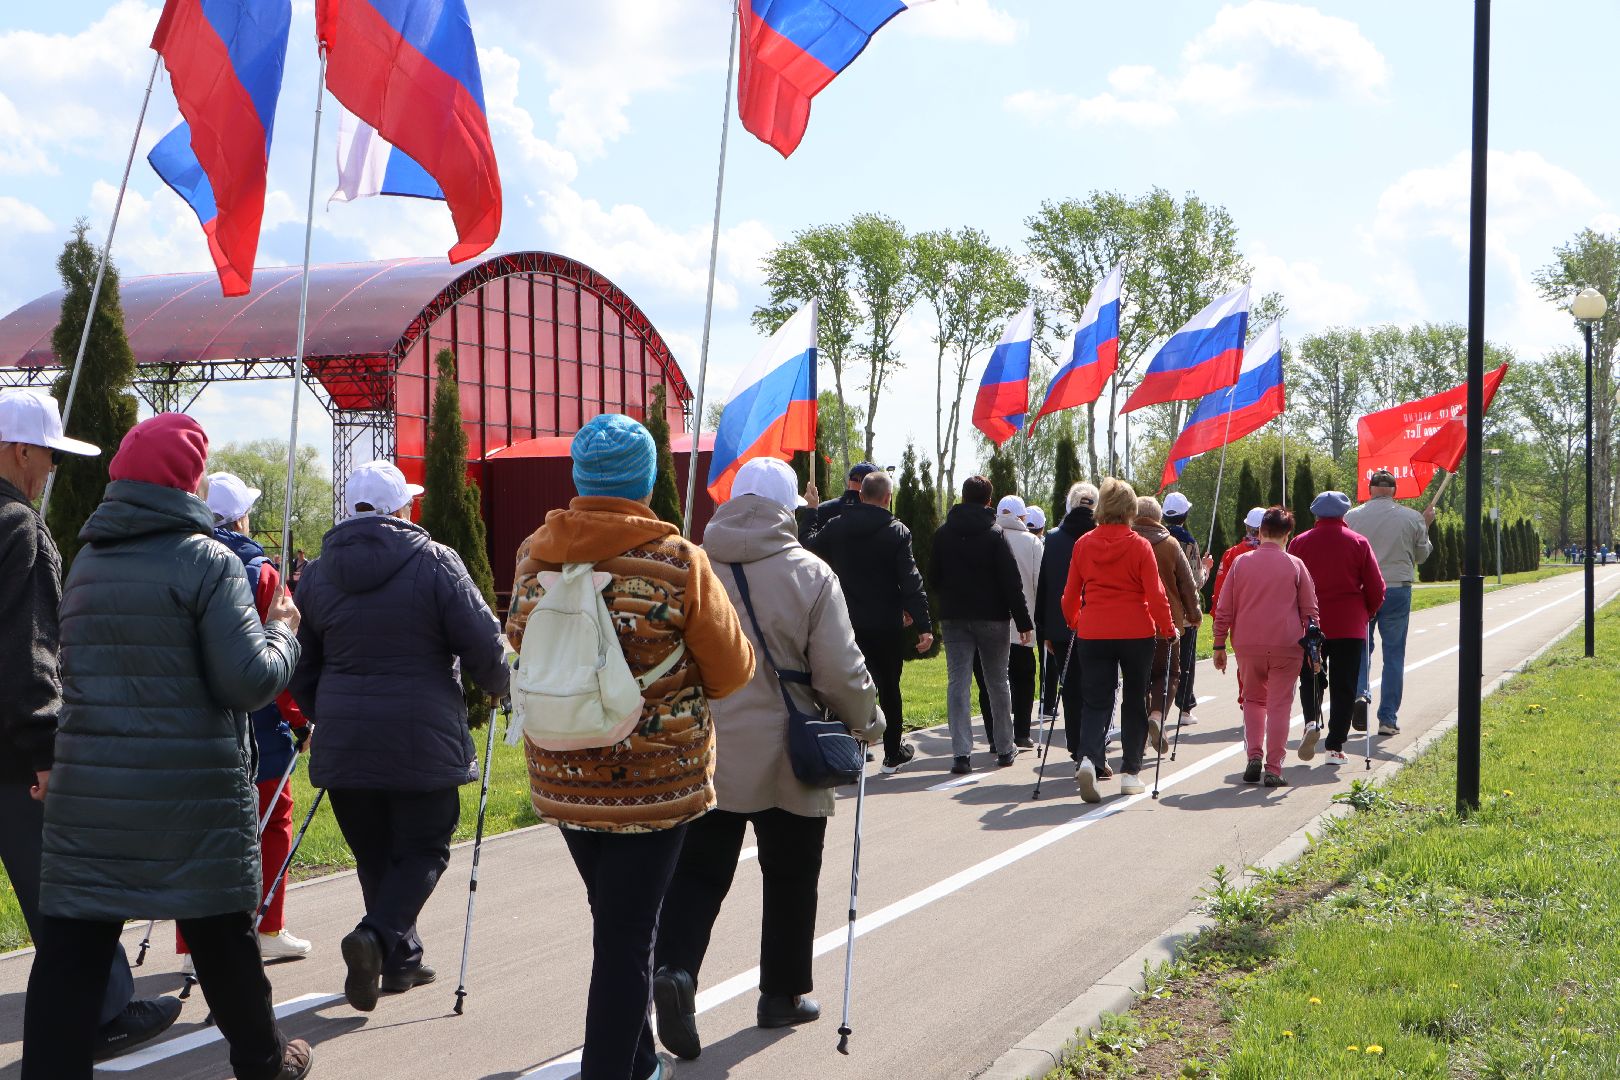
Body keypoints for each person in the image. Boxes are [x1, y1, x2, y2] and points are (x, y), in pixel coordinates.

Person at [24, 413, 313, 1080]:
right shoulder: (208, 560)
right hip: (189, 793)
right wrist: (284, 635)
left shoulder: (90, 557)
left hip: (92, 791)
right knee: (223, 942)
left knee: (72, 954)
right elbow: (247, 681)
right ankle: (266, 1066)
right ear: (188, 480)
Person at [505, 414, 753, 1080]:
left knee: (618, 921)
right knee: (625, 938)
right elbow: (731, 673)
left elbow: (519, 644)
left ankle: (639, 1057)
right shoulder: (677, 561)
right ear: (646, 479)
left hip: (561, 770)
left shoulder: (535, 554)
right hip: (655, 781)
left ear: (578, 477)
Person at [653, 458, 883, 1061]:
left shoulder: (689, 563)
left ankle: (675, 970)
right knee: (791, 875)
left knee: (698, 873)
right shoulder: (810, 571)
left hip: (706, 746)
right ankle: (781, 993)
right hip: (793, 746)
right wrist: (870, 722)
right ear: (789, 507)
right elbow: (839, 668)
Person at [289, 460, 510, 1013]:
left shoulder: (314, 573)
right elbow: (483, 643)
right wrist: (499, 685)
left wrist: (327, 713)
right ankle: (376, 935)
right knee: (425, 847)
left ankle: (397, 959)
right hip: (420, 733)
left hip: (345, 736)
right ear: (402, 509)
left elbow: (302, 662)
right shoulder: (435, 562)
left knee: (376, 852)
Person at [0, 390, 180, 1065]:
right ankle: (105, 1012)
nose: (49, 469)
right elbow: (27, 654)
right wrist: (48, 751)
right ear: (21, 450)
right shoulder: (18, 527)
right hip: (15, 759)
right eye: (47, 454)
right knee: (73, 890)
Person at [175, 473, 313, 976]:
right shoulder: (262, 572)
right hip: (258, 718)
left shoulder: (180, 557)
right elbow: (280, 657)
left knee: (200, 827)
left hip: (192, 716)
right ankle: (267, 928)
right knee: (270, 822)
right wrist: (301, 717)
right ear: (239, 518)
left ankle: (193, 945)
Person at [803, 468, 932, 774]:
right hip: (887, 623)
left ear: (860, 495)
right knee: (889, 687)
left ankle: (850, 749)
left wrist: (810, 510)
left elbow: (807, 545)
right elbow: (910, 581)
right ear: (888, 498)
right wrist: (925, 626)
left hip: (845, 621)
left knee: (847, 686)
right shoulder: (897, 531)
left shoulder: (837, 525)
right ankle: (892, 752)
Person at [1061, 478, 1176, 802]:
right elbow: (1156, 595)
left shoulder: (1083, 543)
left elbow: (1070, 594)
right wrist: (1167, 628)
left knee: (1096, 700)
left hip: (1094, 630)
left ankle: (1087, 759)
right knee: (1135, 699)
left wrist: (1074, 620)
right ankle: (1130, 773)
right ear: (1130, 510)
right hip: (1135, 630)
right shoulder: (1139, 545)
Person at [931, 475, 1034, 774]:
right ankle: (1004, 747)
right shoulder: (995, 534)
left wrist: (949, 601)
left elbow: (933, 578)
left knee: (958, 683)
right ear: (989, 501)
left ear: (962, 497)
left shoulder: (943, 534)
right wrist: (1024, 620)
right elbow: (1011, 582)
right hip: (993, 618)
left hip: (955, 618)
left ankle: (961, 753)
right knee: (998, 681)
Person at [1212, 507, 1319, 787]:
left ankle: (1253, 756)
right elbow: (1310, 611)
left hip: (1248, 644)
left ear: (1260, 532)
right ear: (1288, 535)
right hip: (1287, 644)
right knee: (1280, 705)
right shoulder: (1296, 565)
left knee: (1253, 700)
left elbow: (1224, 608)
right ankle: (1274, 766)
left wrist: (1219, 643)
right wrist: (1313, 647)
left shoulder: (1240, 563)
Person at [1289, 491, 1386, 764]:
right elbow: (1377, 587)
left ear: (1315, 513)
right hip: (1349, 624)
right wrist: (1366, 612)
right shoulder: (1358, 542)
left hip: (1311, 624)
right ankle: (1335, 747)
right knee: (1344, 686)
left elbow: (1290, 583)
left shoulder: (1299, 543)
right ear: (1344, 514)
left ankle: (1310, 721)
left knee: (1311, 677)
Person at [1344, 469, 1434, 736]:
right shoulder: (1412, 518)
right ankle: (1388, 718)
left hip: (1363, 590)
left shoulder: (1351, 517)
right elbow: (1421, 556)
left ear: (1370, 489)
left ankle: (1360, 693)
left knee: (1361, 647)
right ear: (1394, 491)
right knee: (1394, 654)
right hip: (1397, 588)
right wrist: (1426, 526)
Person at [1132, 497, 1202, 753]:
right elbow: (1188, 584)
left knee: (1138, 680)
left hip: (1132, 625)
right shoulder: (1171, 544)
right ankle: (1157, 716)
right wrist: (1194, 614)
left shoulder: (1127, 542)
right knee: (1169, 673)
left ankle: (1137, 737)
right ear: (1158, 518)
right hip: (1166, 623)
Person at [1035, 482, 1097, 762]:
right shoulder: (1101, 536)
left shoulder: (1054, 538)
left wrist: (1044, 628)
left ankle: (1075, 744)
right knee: (1098, 687)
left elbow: (1045, 586)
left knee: (1070, 688)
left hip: (1062, 625)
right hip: (1099, 624)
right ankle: (1092, 744)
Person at [974, 495, 1042, 748]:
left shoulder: (985, 537)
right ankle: (1022, 732)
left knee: (990, 683)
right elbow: (1040, 583)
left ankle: (994, 735)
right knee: (1023, 680)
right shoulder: (1032, 543)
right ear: (1022, 517)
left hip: (990, 623)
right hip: (1023, 626)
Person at [1162, 491, 1213, 723]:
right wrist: (1206, 567)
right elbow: (1194, 581)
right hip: (1183, 613)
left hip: (1158, 609)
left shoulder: (1152, 537)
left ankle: (1156, 706)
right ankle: (1185, 707)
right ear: (1185, 514)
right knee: (1186, 660)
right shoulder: (1188, 541)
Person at [800, 461, 879, 542]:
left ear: (849, 482)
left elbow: (807, 545)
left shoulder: (822, 510)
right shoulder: (880, 519)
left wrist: (811, 510)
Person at [1209, 507, 1265, 613]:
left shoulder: (1231, 554)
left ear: (1247, 527)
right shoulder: (1279, 555)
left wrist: (1218, 617)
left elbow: (1220, 590)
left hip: (1240, 618)